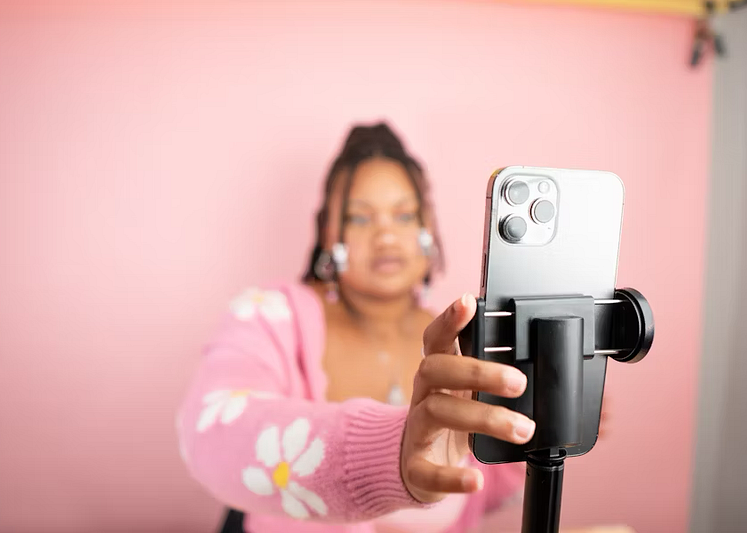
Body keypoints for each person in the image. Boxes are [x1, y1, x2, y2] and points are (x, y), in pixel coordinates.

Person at [176, 122, 537, 533]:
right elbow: (212, 431)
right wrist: (389, 454)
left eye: (405, 215)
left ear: (427, 228)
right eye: (359, 218)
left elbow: (484, 482)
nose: (386, 236)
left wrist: (530, 420)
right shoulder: (269, 317)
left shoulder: (459, 337)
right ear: (328, 233)